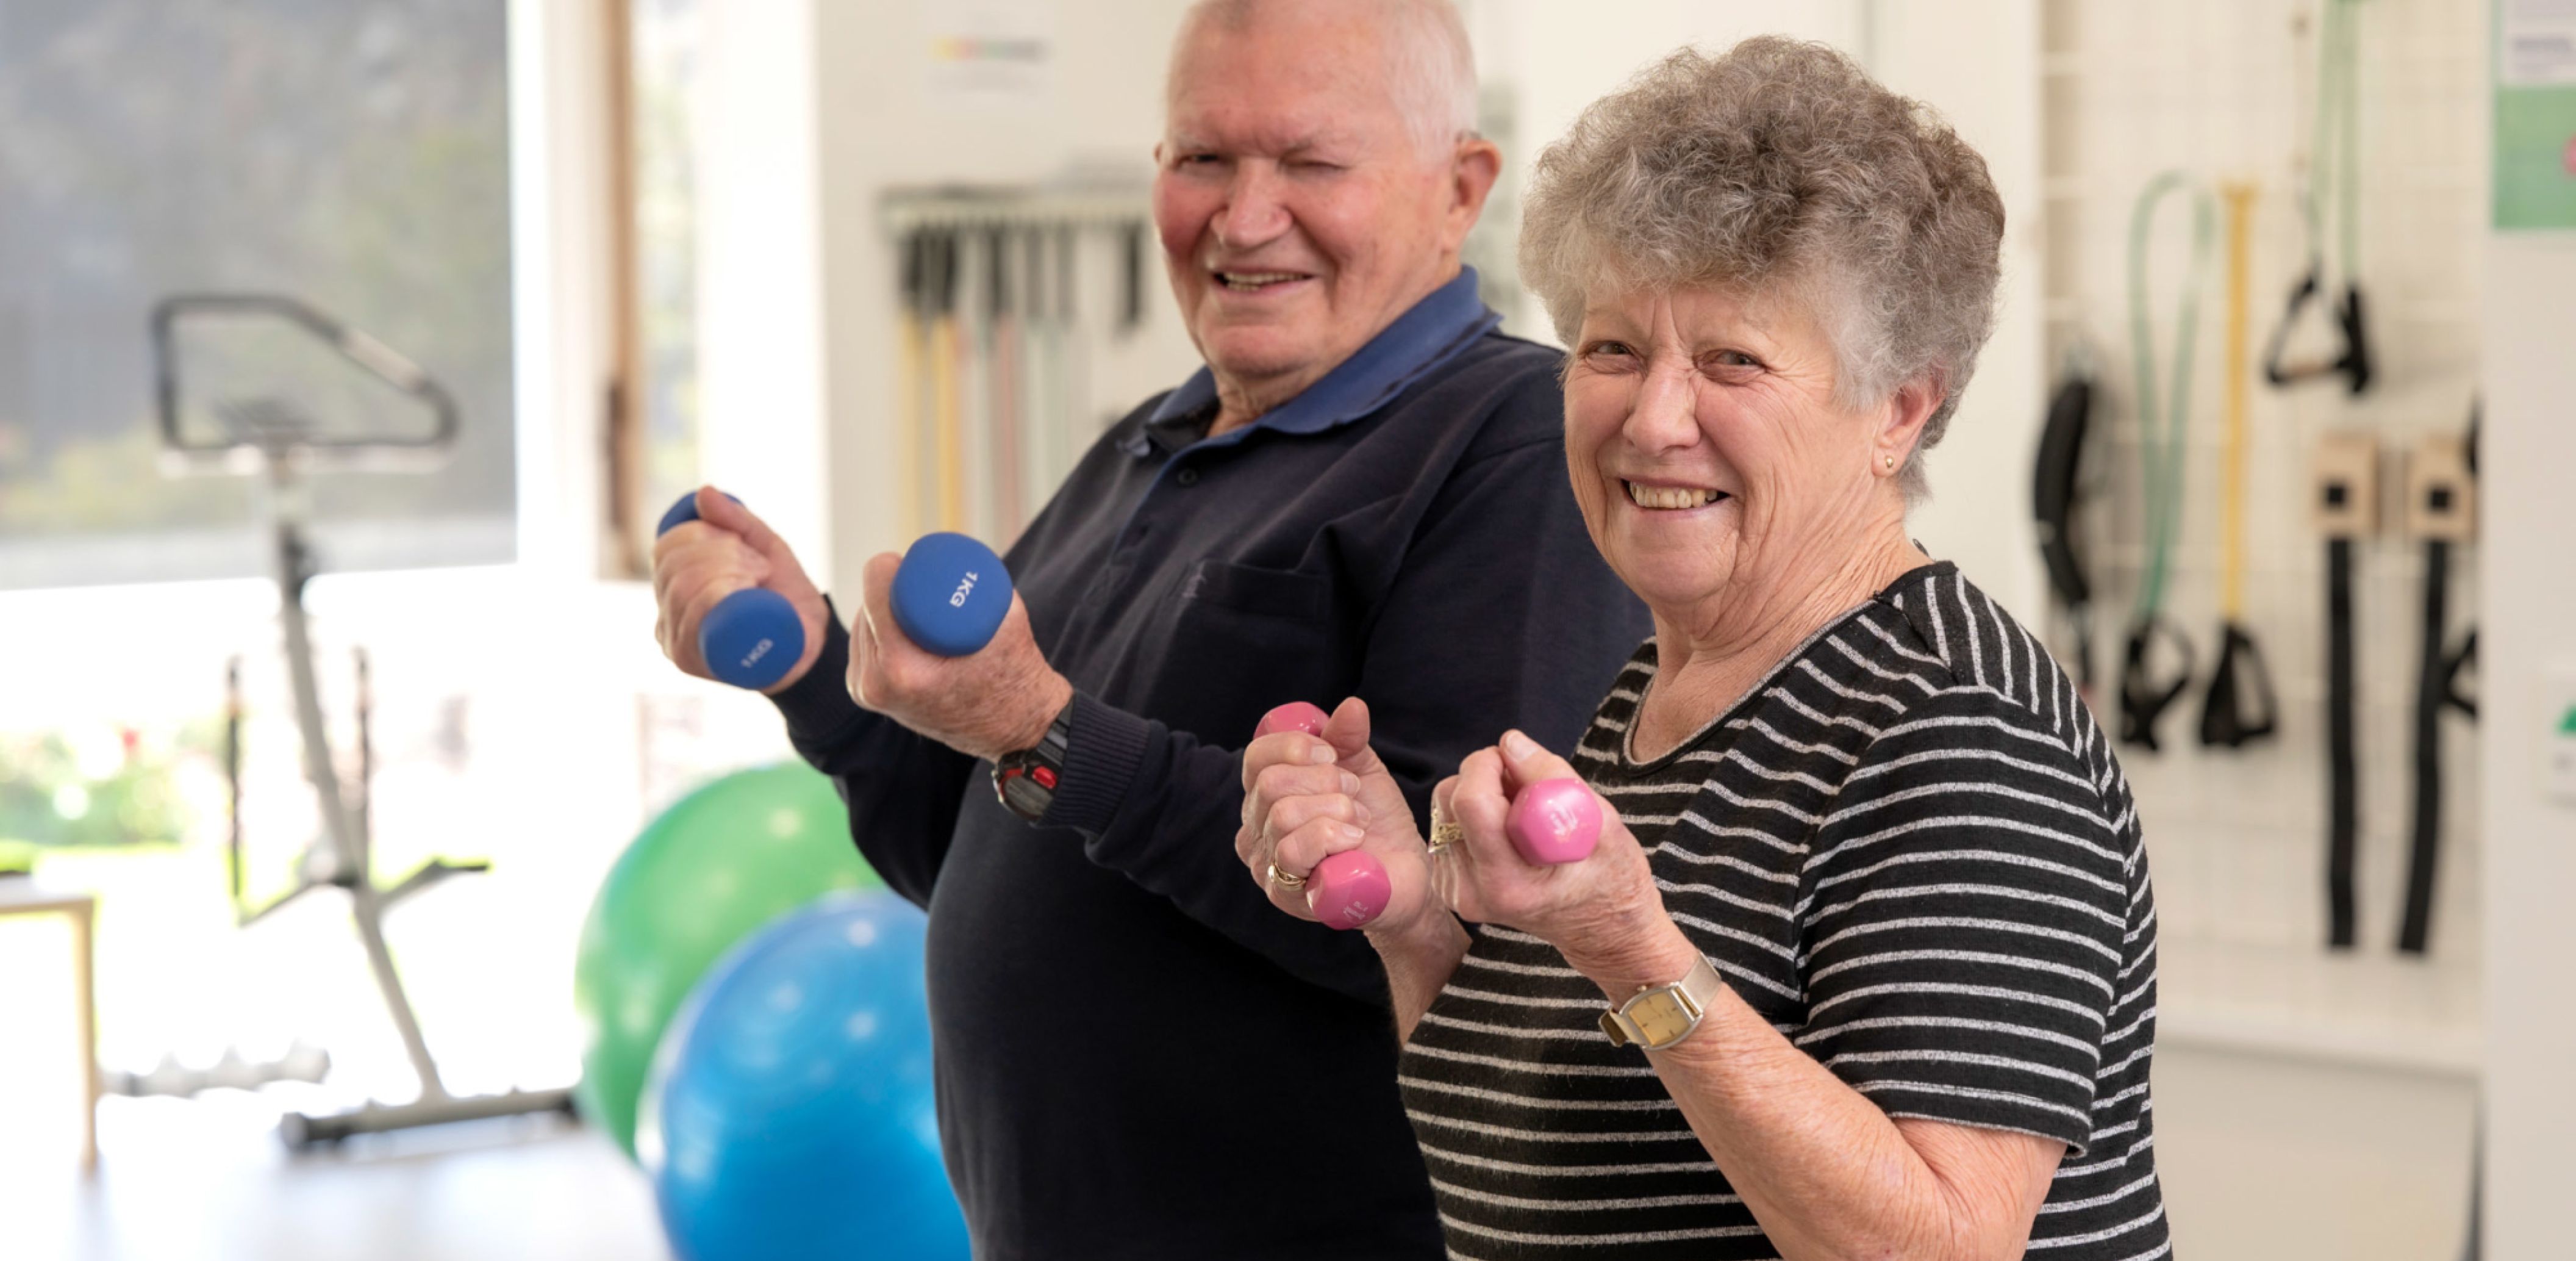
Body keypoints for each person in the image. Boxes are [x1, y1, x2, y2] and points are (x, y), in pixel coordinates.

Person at [649, 2, 1647, 1257]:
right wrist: (809, 665)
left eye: (1310, 163)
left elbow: (1460, 924)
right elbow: (962, 836)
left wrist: (1044, 728)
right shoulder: (1150, 441)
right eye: (1203, 159)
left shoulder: (1514, 447)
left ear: (1460, 188)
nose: (1242, 218)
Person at [1239, 38, 2169, 1260]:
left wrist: (1634, 945)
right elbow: (1534, 1153)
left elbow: (1939, 1243)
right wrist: (1415, 920)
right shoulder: (1655, 689)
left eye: (1733, 359)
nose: (1654, 416)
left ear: (1898, 407)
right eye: (1615, 349)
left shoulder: (1958, 727)